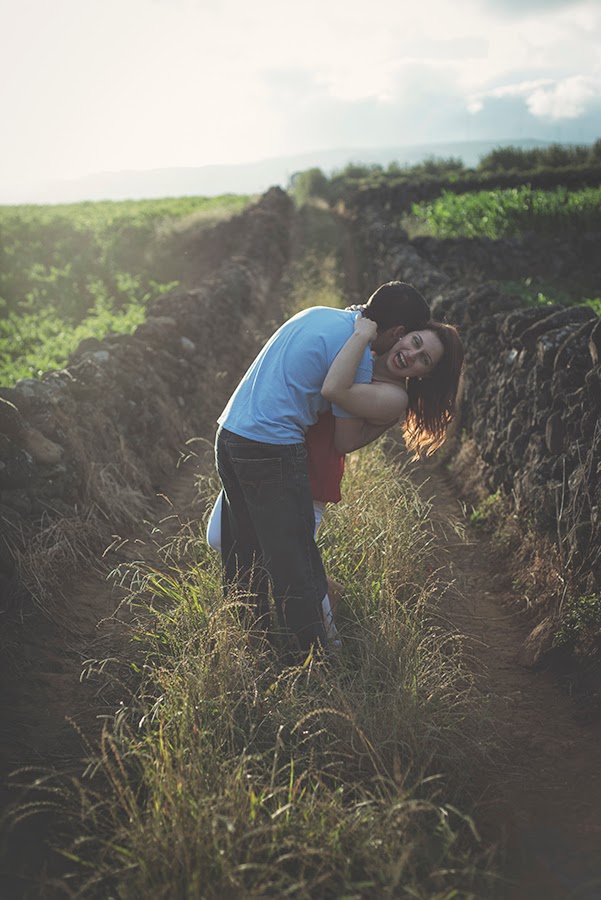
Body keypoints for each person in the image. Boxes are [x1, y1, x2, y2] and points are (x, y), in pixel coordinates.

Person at [209, 317, 464, 646]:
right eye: (415, 342)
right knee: (220, 538)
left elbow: (337, 403)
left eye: (423, 359)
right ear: (402, 333)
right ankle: (324, 590)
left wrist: (359, 334)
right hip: (267, 452)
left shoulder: (392, 395)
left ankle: (329, 649)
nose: (411, 354)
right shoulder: (365, 356)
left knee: (291, 566)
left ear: (425, 375)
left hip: (309, 474)